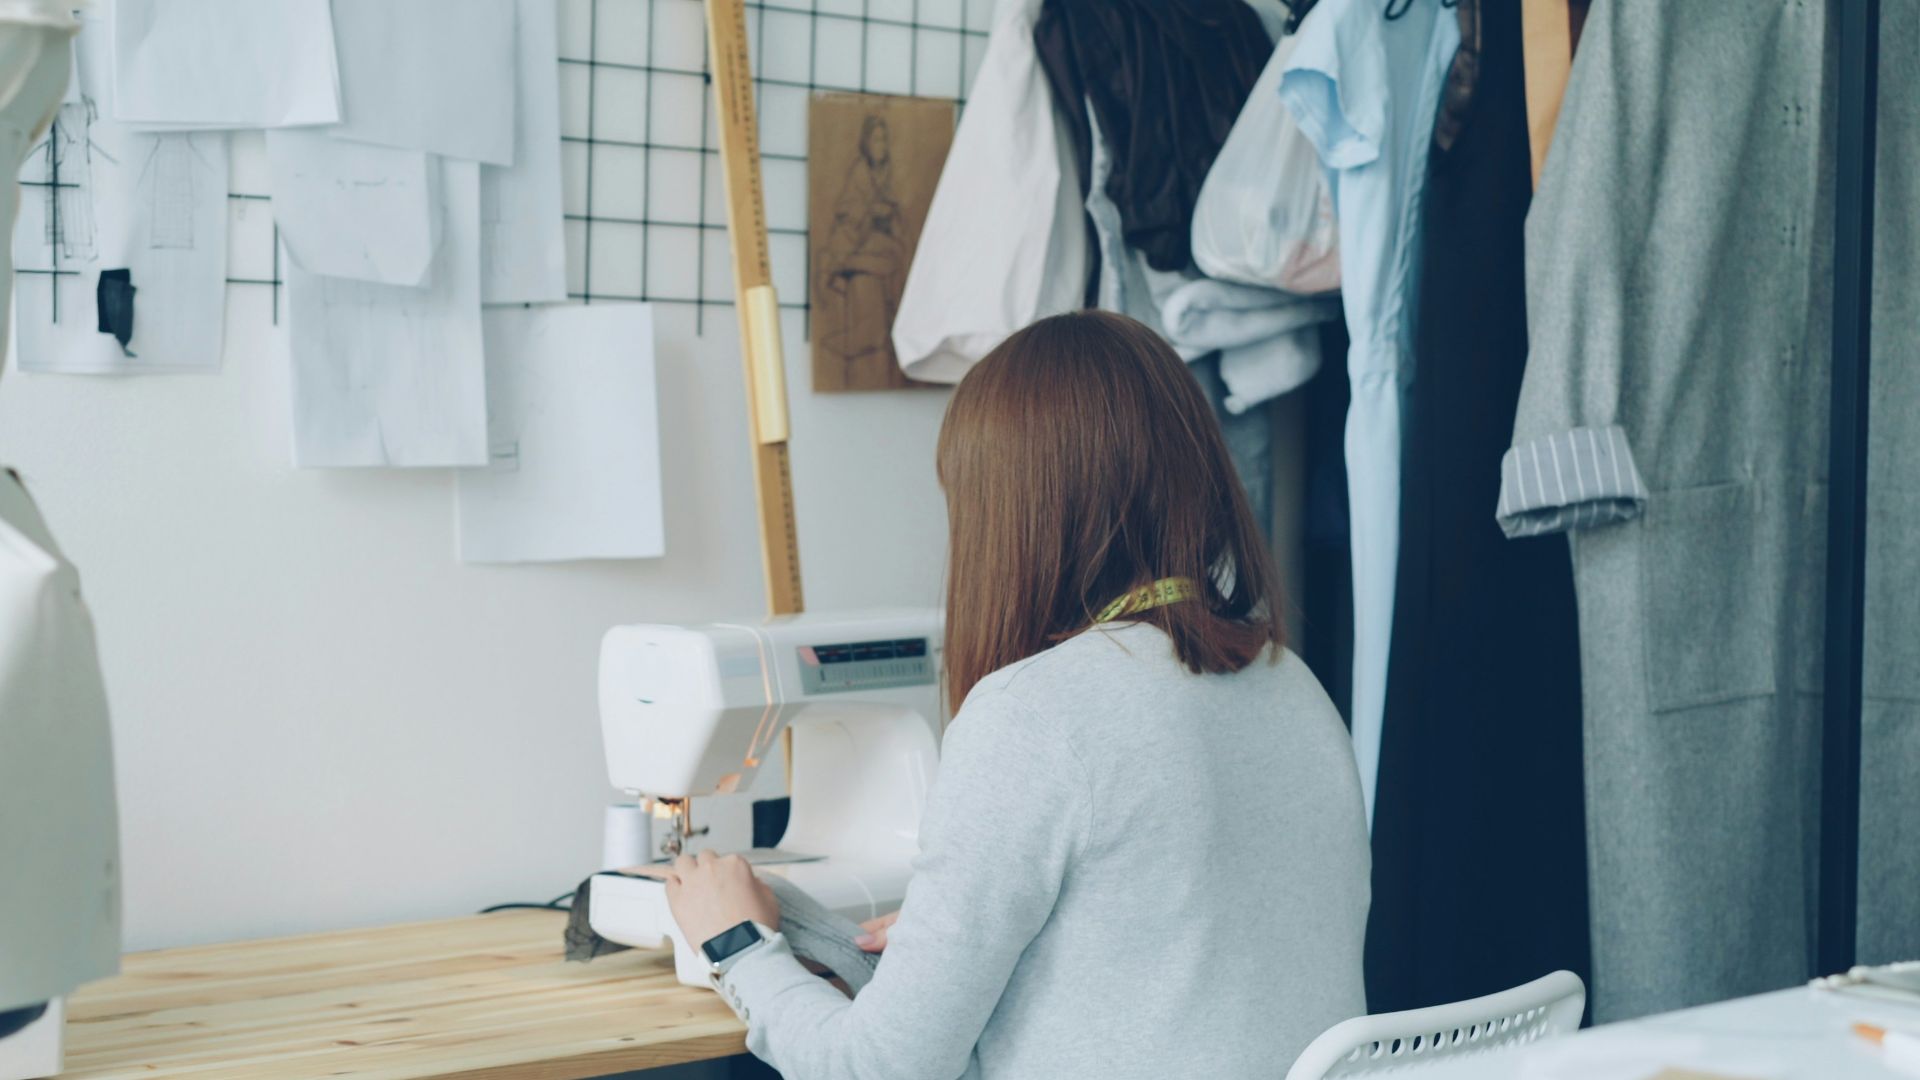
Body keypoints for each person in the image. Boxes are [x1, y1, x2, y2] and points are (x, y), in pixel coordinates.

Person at [659, 311, 1370, 1078]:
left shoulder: (1035, 714)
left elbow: (875, 1070)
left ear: (1008, 516)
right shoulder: (1289, 681)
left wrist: (735, 944)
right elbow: (1189, 955)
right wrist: (972, 944)